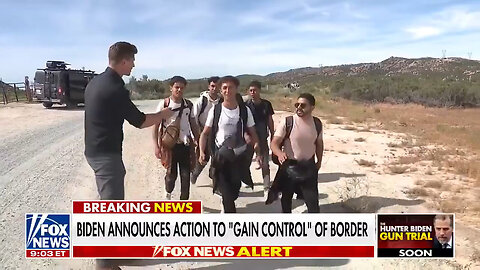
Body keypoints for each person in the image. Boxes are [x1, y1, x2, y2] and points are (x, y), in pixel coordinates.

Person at [84, 41, 172, 270]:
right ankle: (105, 265)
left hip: (95, 151)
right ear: (123, 60)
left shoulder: (95, 82)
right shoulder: (115, 88)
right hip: (106, 156)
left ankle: (118, 254)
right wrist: (162, 115)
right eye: (132, 60)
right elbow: (140, 121)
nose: (134, 64)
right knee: (110, 212)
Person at [198, 76, 262, 213]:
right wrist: (202, 152)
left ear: (236, 89)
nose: (228, 91)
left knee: (234, 191)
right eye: (224, 88)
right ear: (221, 91)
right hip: (221, 156)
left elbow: (253, 133)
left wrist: (258, 152)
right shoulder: (215, 111)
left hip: (239, 156)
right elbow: (205, 133)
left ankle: (227, 198)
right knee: (227, 196)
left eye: (230, 87)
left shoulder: (245, 111)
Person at [268, 93, 324, 213]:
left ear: (312, 107)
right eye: (297, 104)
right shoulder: (288, 122)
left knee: (313, 203)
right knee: (286, 200)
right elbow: (274, 143)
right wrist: (279, 153)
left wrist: (319, 161)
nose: (299, 107)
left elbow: (319, 144)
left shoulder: (317, 123)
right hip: (290, 167)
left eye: (303, 105)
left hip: (308, 167)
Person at [153, 76, 200, 200]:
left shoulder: (188, 105)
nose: (179, 90)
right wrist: (156, 146)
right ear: (171, 88)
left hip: (184, 145)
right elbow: (155, 125)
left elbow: (193, 124)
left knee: (185, 176)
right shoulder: (164, 104)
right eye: (176, 87)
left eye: (181, 87)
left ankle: (183, 204)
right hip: (169, 146)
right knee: (171, 175)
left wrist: (199, 141)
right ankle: (168, 191)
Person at [245, 80, 274, 197]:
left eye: (255, 90)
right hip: (249, 139)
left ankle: (266, 187)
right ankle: (246, 181)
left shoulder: (266, 104)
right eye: (250, 90)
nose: (253, 92)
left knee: (265, 163)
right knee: (244, 163)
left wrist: (273, 134)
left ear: (259, 90)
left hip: (262, 137)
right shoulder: (246, 105)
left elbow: (270, 120)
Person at [190, 76, 220, 184]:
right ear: (209, 86)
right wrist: (196, 134)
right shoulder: (202, 100)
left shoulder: (221, 101)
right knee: (204, 157)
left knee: (217, 156)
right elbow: (193, 117)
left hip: (217, 132)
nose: (214, 88)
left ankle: (214, 176)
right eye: (212, 86)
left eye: (216, 86)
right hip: (203, 131)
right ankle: (195, 174)